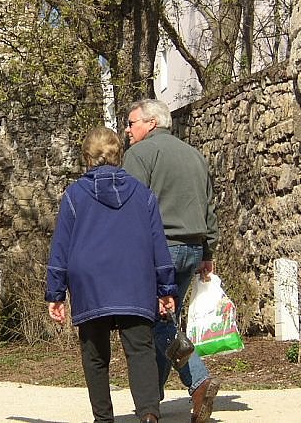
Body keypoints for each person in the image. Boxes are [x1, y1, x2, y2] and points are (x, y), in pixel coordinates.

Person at [45, 126, 177, 423]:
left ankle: (103, 419)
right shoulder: (143, 195)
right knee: (141, 351)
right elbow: (159, 243)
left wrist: (56, 293)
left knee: (95, 355)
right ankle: (148, 415)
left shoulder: (74, 196)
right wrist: (166, 288)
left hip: (90, 283)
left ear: (87, 158)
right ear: (119, 155)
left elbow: (61, 246)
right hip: (135, 281)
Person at [122, 99, 220, 423]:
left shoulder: (138, 155)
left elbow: (131, 208)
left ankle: (199, 380)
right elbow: (209, 206)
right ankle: (153, 401)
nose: (127, 130)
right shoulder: (194, 154)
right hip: (192, 249)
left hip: (160, 250)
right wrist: (208, 253)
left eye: (132, 123)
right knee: (164, 321)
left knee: (157, 323)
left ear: (150, 123)